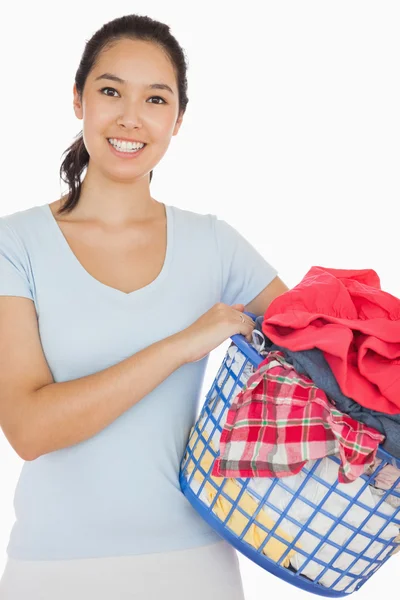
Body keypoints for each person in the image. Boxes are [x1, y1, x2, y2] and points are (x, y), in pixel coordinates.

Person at [0, 13, 288, 600]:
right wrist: (181, 346)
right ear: (78, 99)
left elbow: (324, 357)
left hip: (196, 566)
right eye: (111, 91)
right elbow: (29, 429)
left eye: (155, 98)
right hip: (53, 570)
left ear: (177, 120)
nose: (131, 117)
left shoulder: (215, 244)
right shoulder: (16, 245)